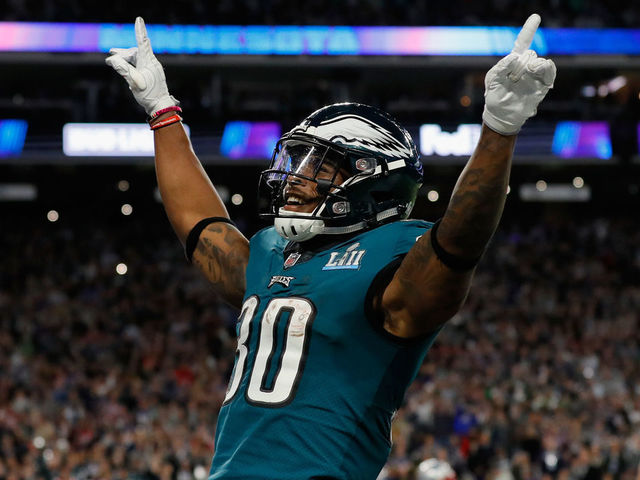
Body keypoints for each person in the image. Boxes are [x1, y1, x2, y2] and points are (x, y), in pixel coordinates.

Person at [106, 15, 556, 480]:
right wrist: (162, 111)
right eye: (297, 160)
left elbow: (460, 242)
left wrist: (499, 128)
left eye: (320, 167)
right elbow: (200, 226)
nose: (296, 177)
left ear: (372, 180)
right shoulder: (271, 252)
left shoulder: (395, 255)